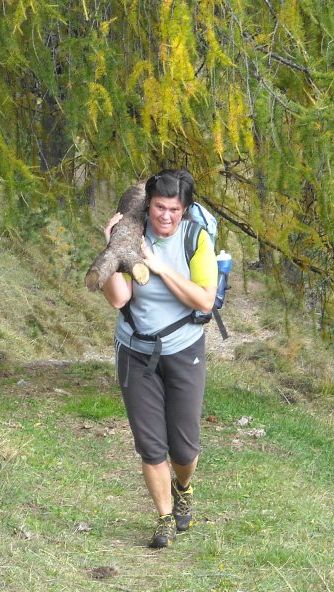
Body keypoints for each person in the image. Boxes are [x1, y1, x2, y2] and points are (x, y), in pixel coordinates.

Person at [101, 170, 218, 548]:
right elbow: (118, 299)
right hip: (135, 351)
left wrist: (160, 266)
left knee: (184, 448)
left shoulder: (195, 239)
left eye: (174, 209)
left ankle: (183, 486)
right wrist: (112, 249)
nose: (165, 216)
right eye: (159, 207)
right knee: (151, 445)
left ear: (185, 210)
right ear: (148, 205)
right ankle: (165, 517)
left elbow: (204, 300)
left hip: (184, 349)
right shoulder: (132, 235)